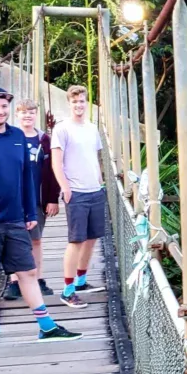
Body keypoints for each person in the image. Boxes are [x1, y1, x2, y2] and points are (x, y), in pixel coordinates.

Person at [0, 87, 82, 345]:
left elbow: (27, 176)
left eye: (4, 107)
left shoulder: (16, 136)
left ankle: (46, 327)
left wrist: (29, 211)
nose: (0, 111)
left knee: (27, 271)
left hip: (15, 218)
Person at [51, 85, 106, 309]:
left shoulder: (92, 129)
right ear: (69, 104)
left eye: (82, 101)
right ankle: (67, 290)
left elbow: (96, 156)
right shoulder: (62, 129)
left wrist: (101, 181)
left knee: (92, 238)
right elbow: (56, 161)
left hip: (95, 190)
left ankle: (81, 281)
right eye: (75, 102)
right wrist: (64, 188)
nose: (79, 105)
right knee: (76, 240)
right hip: (76, 192)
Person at [3, 99, 60, 301]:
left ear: (36, 115)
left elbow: (54, 170)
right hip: (12, 199)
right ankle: (14, 282)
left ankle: (37, 278)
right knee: (12, 240)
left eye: (31, 112)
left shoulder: (45, 140)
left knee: (35, 239)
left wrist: (53, 198)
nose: (27, 116)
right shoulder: (8, 137)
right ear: (16, 115)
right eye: (23, 112)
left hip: (37, 197)